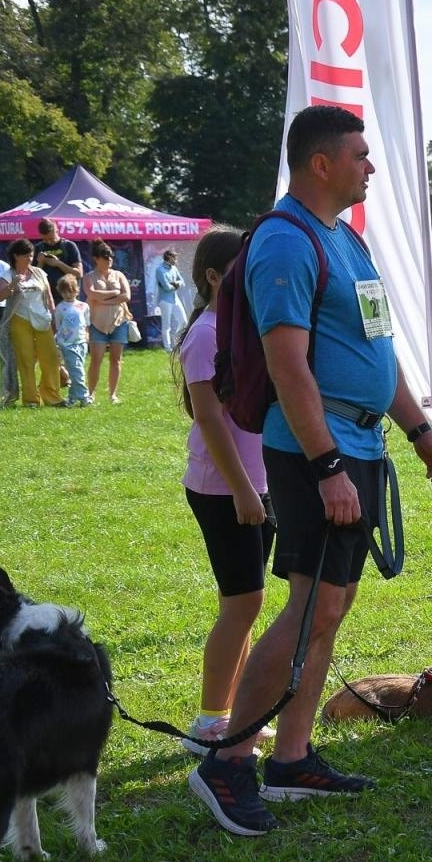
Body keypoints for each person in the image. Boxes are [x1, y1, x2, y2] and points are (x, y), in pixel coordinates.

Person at [189, 105, 432, 837]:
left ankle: (293, 759)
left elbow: (376, 350)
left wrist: (418, 429)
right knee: (307, 608)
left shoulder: (348, 242)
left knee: (329, 610)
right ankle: (229, 760)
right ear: (321, 164)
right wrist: (328, 465)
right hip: (319, 454)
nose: (371, 165)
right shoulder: (284, 242)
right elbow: (286, 365)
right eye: (360, 154)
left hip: (361, 449)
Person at [172, 225, 277, 757]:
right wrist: (242, 491)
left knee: (247, 604)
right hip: (225, 489)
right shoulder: (207, 334)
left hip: (257, 484)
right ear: (214, 276)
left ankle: (231, 713)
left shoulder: (243, 328)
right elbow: (210, 420)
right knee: (243, 602)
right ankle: (210, 720)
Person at [0, 238, 60, 407]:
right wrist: (12, 286)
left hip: (42, 319)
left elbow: (49, 297)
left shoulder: (39, 272)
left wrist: (54, 317)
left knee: (51, 358)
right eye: (26, 256)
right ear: (16, 256)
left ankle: (52, 396)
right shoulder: (8, 274)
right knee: (26, 360)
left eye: (31, 255)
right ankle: (31, 399)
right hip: (20, 320)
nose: (30, 259)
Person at [84, 239, 132, 405]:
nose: (109, 260)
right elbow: (91, 295)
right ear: (96, 258)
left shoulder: (119, 275)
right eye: (105, 257)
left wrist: (104, 299)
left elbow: (126, 296)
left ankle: (113, 395)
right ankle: (90, 394)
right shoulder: (89, 277)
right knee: (96, 359)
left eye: (110, 257)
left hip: (119, 322)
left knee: (116, 359)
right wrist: (114, 293)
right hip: (97, 323)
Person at [52, 275, 92, 407]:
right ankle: (85, 397)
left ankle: (72, 398)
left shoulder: (83, 306)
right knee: (77, 371)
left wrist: (86, 337)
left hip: (81, 342)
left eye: (70, 291)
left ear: (76, 290)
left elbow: (86, 324)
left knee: (77, 369)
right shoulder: (60, 308)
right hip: (67, 344)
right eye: (64, 292)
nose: (68, 294)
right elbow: (58, 326)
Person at [33, 218, 83, 303]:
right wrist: (41, 263)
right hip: (46, 297)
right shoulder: (38, 248)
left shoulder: (69, 246)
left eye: (51, 239)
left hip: (67, 297)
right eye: (45, 239)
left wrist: (59, 264)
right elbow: (33, 278)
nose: (49, 242)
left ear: (57, 231)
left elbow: (79, 274)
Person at [154, 249, 187, 351]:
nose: (176, 260)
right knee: (166, 325)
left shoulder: (174, 268)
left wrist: (175, 283)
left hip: (175, 299)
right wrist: (176, 284)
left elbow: (183, 282)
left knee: (184, 321)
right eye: (174, 258)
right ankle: (168, 347)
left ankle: (176, 341)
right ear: (168, 257)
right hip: (165, 300)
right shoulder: (159, 270)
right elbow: (166, 287)